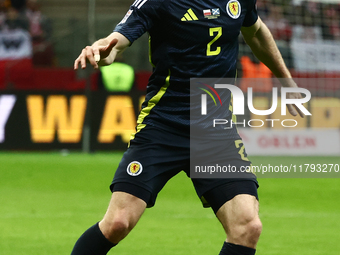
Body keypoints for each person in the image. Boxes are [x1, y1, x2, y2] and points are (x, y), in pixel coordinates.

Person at [72, 0, 304, 254]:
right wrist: (101, 50)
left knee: (247, 226)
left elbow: (256, 32)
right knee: (118, 222)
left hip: (215, 132)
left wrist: (286, 81)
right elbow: (118, 40)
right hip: (163, 126)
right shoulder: (158, 2)